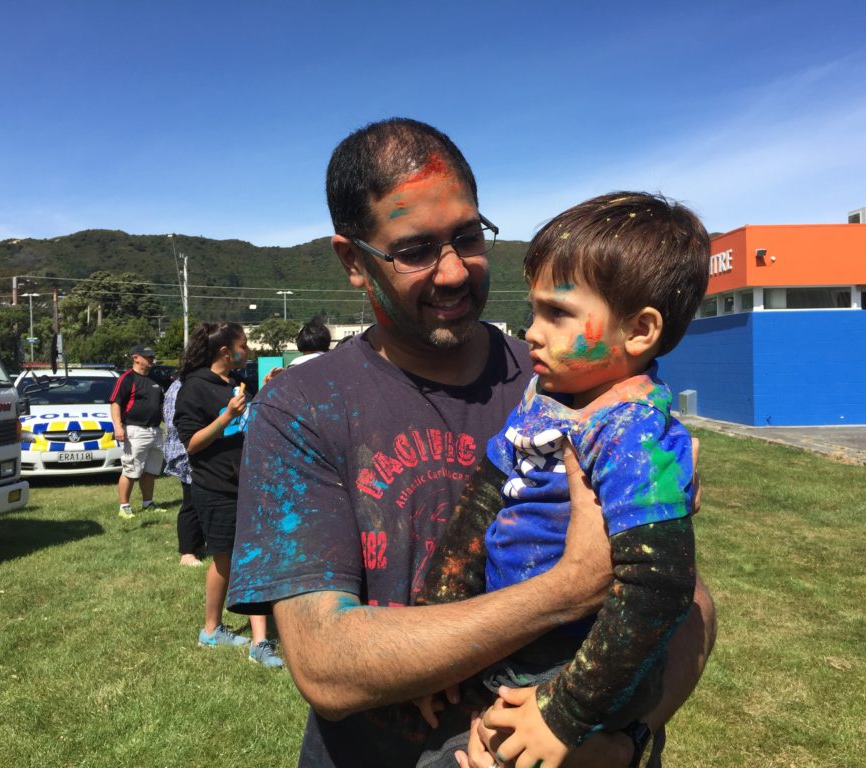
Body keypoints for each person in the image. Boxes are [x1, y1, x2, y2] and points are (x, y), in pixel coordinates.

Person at [228, 118, 715, 767]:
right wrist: (567, 589)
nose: (454, 271)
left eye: (466, 236)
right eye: (415, 249)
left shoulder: (578, 388)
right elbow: (325, 665)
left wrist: (620, 744)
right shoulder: (302, 407)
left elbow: (684, 599)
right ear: (353, 259)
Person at [413, 192, 710, 767]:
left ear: (640, 330)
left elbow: (660, 584)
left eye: (557, 313)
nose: (531, 332)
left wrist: (563, 713)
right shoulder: (547, 397)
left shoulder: (635, 433)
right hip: (515, 649)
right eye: (533, 311)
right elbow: (481, 502)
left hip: (577, 671)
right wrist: (437, 627)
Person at [173, 322, 283, 668]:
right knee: (234, 560)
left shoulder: (232, 383)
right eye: (243, 345)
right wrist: (225, 418)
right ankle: (247, 639)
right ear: (226, 351)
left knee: (237, 558)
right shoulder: (194, 388)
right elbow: (191, 443)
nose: (246, 351)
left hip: (245, 482)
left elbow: (246, 423)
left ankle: (223, 633)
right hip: (216, 486)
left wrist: (261, 393)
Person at [110, 344, 165, 520]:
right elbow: (115, 403)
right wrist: (118, 426)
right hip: (135, 430)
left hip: (155, 431)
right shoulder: (127, 378)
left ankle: (148, 503)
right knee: (130, 470)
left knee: (150, 470)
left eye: (152, 356)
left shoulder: (155, 379)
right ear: (136, 358)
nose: (151, 359)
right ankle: (124, 506)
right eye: (147, 356)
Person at [162, 375, 206, 566]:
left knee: (200, 500)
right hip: (186, 451)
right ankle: (187, 552)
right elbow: (177, 425)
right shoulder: (180, 387)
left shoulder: (190, 384)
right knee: (190, 502)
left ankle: (198, 545)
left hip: (197, 449)